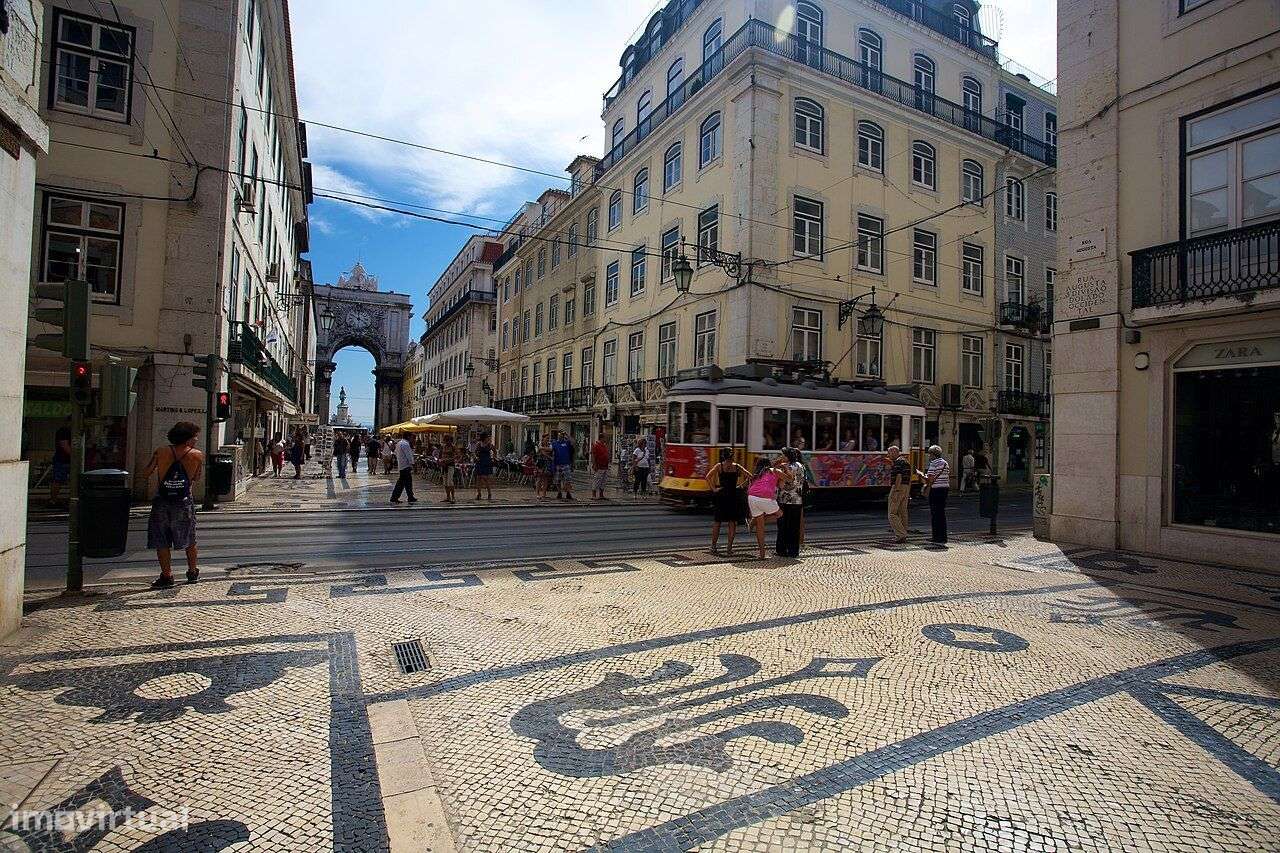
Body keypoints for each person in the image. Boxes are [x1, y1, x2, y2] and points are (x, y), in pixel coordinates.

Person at [142, 421, 204, 588]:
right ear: (187, 438)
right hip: (184, 501)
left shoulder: (161, 451)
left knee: (161, 539)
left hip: (162, 500)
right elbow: (197, 477)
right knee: (189, 538)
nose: (197, 439)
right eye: (195, 436)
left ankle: (167, 576)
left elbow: (145, 472)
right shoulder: (197, 455)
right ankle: (192, 572)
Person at [706, 449, 749, 556]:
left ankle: (713, 546)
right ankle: (729, 548)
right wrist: (742, 486)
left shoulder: (719, 466)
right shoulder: (737, 466)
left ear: (723, 456)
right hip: (733, 495)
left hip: (722, 495)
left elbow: (707, 477)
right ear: (732, 456)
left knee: (717, 522)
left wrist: (714, 489)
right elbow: (750, 476)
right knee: (732, 523)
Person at [746, 455, 789, 559]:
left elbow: (750, 486)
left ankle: (762, 554)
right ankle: (753, 521)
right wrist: (786, 469)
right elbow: (788, 479)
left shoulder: (757, 474)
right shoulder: (774, 471)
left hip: (751, 497)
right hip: (765, 498)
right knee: (780, 514)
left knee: (760, 528)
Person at [775, 448, 806, 557]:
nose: (781, 457)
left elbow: (781, 485)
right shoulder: (801, 466)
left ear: (787, 456)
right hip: (797, 499)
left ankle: (782, 550)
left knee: (783, 526)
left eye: (782, 455)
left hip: (785, 500)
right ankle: (793, 551)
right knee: (794, 527)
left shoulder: (788, 467)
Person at [923, 444, 951, 545]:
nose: (929, 456)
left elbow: (930, 479)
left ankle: (936, 537)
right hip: (944, 489)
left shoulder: (933, 463)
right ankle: (943, 537)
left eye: (929, 454)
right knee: (941, 513)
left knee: (935, 514)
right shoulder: (945, 463)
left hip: (935, 490)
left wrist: (922, 476)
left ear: (933, 454)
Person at [885, 445, 912, 544]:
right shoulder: (906, 462)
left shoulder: (898, 462)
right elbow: (908, 479)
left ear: (894, 452)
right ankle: (904, 534)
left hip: (898, 488)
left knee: (892, 513)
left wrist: (896, 491)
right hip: (906, 488)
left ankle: (900, 535)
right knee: (902, 512)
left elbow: (899, 477)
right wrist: (907, 492)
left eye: (889, 453)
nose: (888, 455)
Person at [389, 431, 418, 504]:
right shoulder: (406, 444)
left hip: (401, 465)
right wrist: (413, 464)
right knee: (406, 482)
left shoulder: (399, 443)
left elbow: (395, 453)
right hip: (406, 466)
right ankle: (400, 497)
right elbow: (409, 455)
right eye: (411, 437)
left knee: (403, 483)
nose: (412, 438)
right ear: (408, 436)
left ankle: (406, 496)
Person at [49, 419, 72, 507]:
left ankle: (54, 500)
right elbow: (64, 445)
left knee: (60, 480)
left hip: (66, 460)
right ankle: (53, 500)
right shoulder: (64, 431)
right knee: (58, 480)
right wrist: (75, 457)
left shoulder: (74, 431)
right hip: (62, 460)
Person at [552, 430, 575, 500]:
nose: (560, 437)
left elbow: (573, 442)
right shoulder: (554, 443)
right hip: (558, 464)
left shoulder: (566, 443)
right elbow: (551, 450)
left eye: (562, 435)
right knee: (557, 480)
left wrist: (567, 435)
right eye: (559, 436)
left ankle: (568, 493)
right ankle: (559, 492)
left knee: (567, 480)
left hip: (566, 464)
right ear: (557, 436)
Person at [474, 433, 495, 501]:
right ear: (484, 438)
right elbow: (475, 452)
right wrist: (476, 457)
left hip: (486, 462)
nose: (488, 438)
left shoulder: (489, 445)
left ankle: (489, 493)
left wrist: (493, 458)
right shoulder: (479, 444)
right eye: (487, 437)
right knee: (478, 478)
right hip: (480, 461)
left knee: (485, 478)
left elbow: (495, 451)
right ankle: (479, 493)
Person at [590, 435, 611, 500]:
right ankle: (594, 495)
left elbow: (606, 454)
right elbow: (593, 455)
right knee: (597, 480)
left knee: (603, 481)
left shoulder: (604, 445)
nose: (606, 439)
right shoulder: (596, 445)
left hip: (605, 466)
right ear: (602, 438)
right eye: (605, 437)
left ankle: (601, 494)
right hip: (599, 466)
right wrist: (594, 464)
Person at [439, 434, 458, 503]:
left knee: (450, 481)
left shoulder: (453, 447)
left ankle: (453, 497)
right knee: (445, 482)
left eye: (448, 440)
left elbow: (456, 456)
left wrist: (447, 460)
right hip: (444, 466)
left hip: (450, 465)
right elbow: (440, 455)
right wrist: (440, 460)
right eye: (446, 440)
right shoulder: (443, 447)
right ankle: (448, 497)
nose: (447, 442)